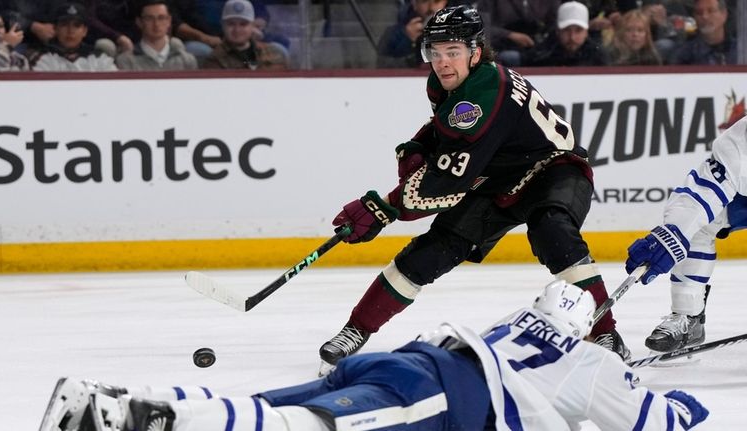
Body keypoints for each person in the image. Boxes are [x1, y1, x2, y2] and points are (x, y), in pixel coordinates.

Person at [319, 4, 630, 376]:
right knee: (432, 251)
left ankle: (606, 333)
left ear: (475, 52)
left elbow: (449, 181)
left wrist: (383, 207)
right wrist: (421, 145)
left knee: (553, 230)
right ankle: (356, 329)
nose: (443, 62)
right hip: (497, 178)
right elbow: (446, 130)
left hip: (553, 169)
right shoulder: (450, 82)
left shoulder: (483, 92)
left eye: (453, 52)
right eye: (435, 53)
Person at [38, 280, 710, 431]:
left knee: (271, 405)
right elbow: (651, 420)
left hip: (407, 358)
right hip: (447, 396)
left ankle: (111, 401)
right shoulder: (592, 363)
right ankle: (139, 417)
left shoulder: (514, 323)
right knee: (315, 429)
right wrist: (685, 404)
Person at [625, 115, 747, 353]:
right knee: (698, 226)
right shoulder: (739, 141)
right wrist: (673, 234)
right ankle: (688, 316)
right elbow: (701, 194)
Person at [26, 2, 117, 72]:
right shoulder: (41, 56)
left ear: (85, 31)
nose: (70, 31)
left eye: (76, 25)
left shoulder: (98, 57)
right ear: (55, 28)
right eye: (64, 25)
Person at [200, 0, 287, 70]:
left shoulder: (273, 52)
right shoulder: (214, 60)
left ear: (252, 26)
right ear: (223, 26)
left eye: (243, 24)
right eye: (231, 24)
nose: (237, 30)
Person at [473, 0, 560, 67]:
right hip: (500, 49)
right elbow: (482, 27)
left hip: (538, 50)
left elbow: (555, 26)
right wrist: (509, 35)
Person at [116, 0, 197, 71]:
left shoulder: (187, 60)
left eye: (161, 18)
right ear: (139, 22)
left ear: (169, 21)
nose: (156, 24)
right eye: (149, 18)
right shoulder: (126, 61)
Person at [524, 1, 608, 67]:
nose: (572, 37)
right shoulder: (540, 56)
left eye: (578, 30)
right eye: (567, 30)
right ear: (558, 31)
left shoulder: (598, 57)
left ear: (586, 32)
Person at [376, 0, 448, 68]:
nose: (431, 7)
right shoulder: (394, 33)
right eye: (425, 1)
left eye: (437, 1)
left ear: (445, 2)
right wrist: (408, 40)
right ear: (415, 4)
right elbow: (382, 66)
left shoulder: (457, 29)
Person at [670, 0, 736, 65]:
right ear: (695, 17)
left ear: (724, 14)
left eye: (711, 11)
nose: (705, 16)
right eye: (699, 13)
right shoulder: (684, 54)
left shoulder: (740, 49)